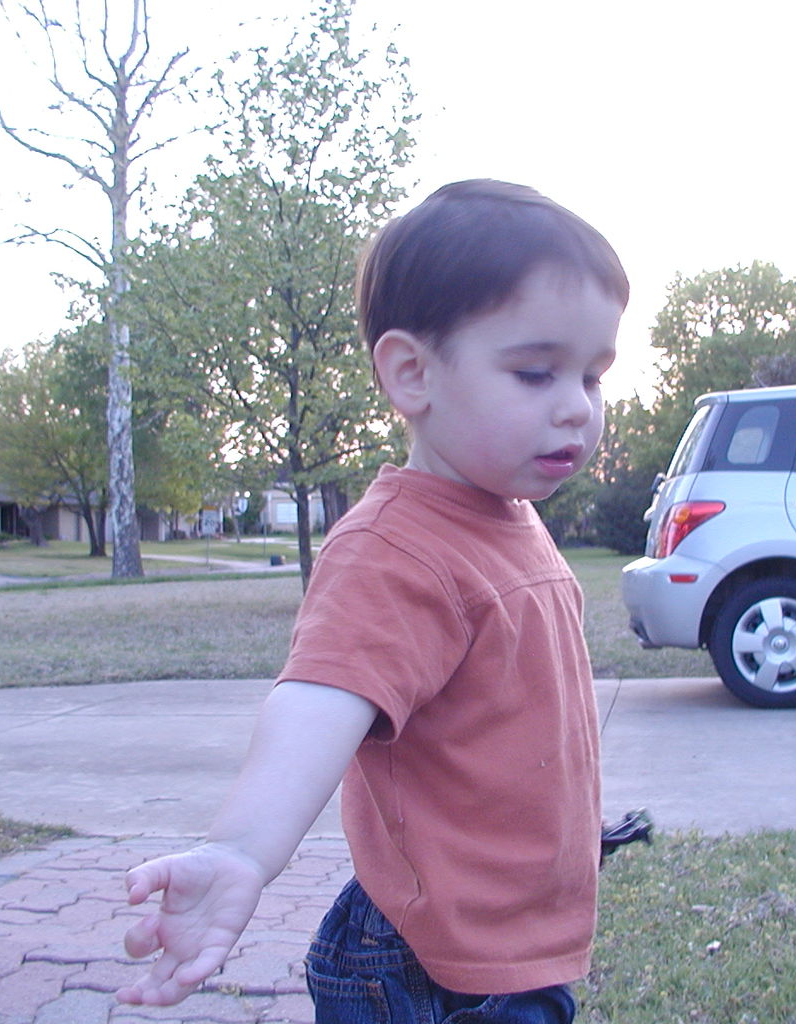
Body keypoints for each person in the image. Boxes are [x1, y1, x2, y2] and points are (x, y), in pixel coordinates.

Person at [115, 179, 629, 1023]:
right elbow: (319, 701)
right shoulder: (395, 549)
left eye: (592, 375)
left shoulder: (507, 519)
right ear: (411, 372)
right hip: (425, 969)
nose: (575, 405)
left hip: (505, 946)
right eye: (536, 372)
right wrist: (242, 850)